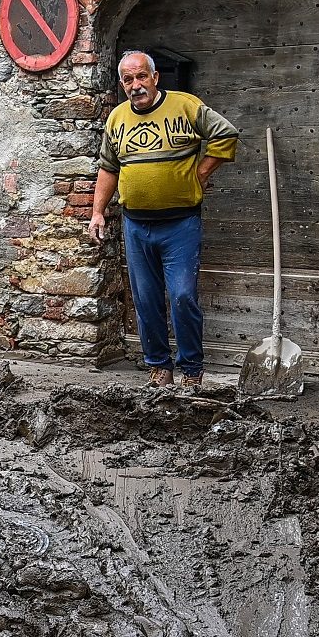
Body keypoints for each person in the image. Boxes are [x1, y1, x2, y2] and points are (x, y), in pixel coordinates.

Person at [88, 50, 239, 388]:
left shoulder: (185, 107)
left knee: (183, 296)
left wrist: (200, 173)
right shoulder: (116, 119)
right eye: (128, 80)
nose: (135, 85)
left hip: (180, 224)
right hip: (136, 225)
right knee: (146, 300)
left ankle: (191, 370)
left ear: (155, 77)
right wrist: (98, 211)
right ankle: (159, 366)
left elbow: (226, 134)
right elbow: (109, 168)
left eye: (141, 77)